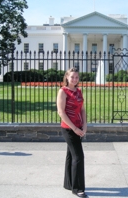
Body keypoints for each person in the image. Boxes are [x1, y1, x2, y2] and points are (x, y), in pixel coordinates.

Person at [56, 67, 88, 198]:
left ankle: (68, 183)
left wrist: (85, 126)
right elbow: (61, 112)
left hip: (79, 127)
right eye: (72, 77)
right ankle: (78, 188)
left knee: (71, 155)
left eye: (76, 77)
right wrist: (75, 129)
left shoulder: (79, 91)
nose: (74, 79)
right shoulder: (63, 91)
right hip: (69, 129)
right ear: (67, 77)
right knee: (78, 157)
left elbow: (82, 110)